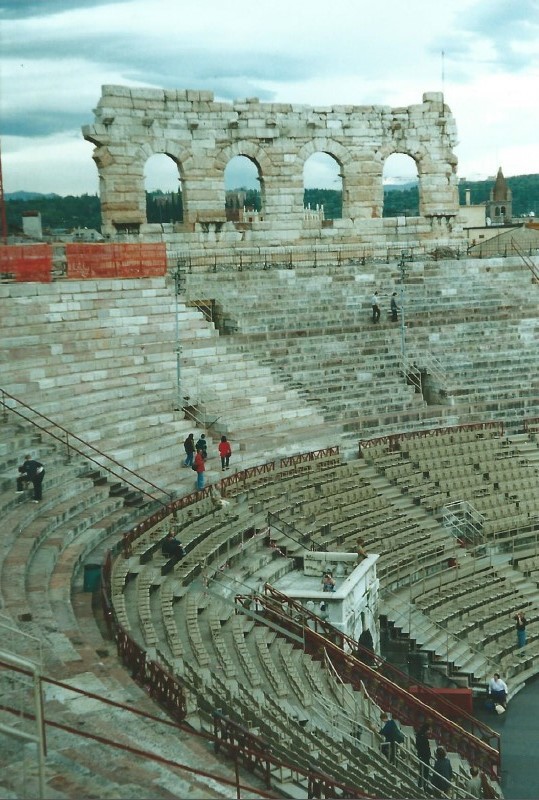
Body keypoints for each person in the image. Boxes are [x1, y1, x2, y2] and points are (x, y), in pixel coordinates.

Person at [415, 722, 431, 791]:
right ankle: (423, 786)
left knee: (422, 771)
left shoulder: (419, 735)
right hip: (424, 757)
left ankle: (421, 784)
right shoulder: (423, 738)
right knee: (425, 772)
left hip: (421, 756)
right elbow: (425, 748)